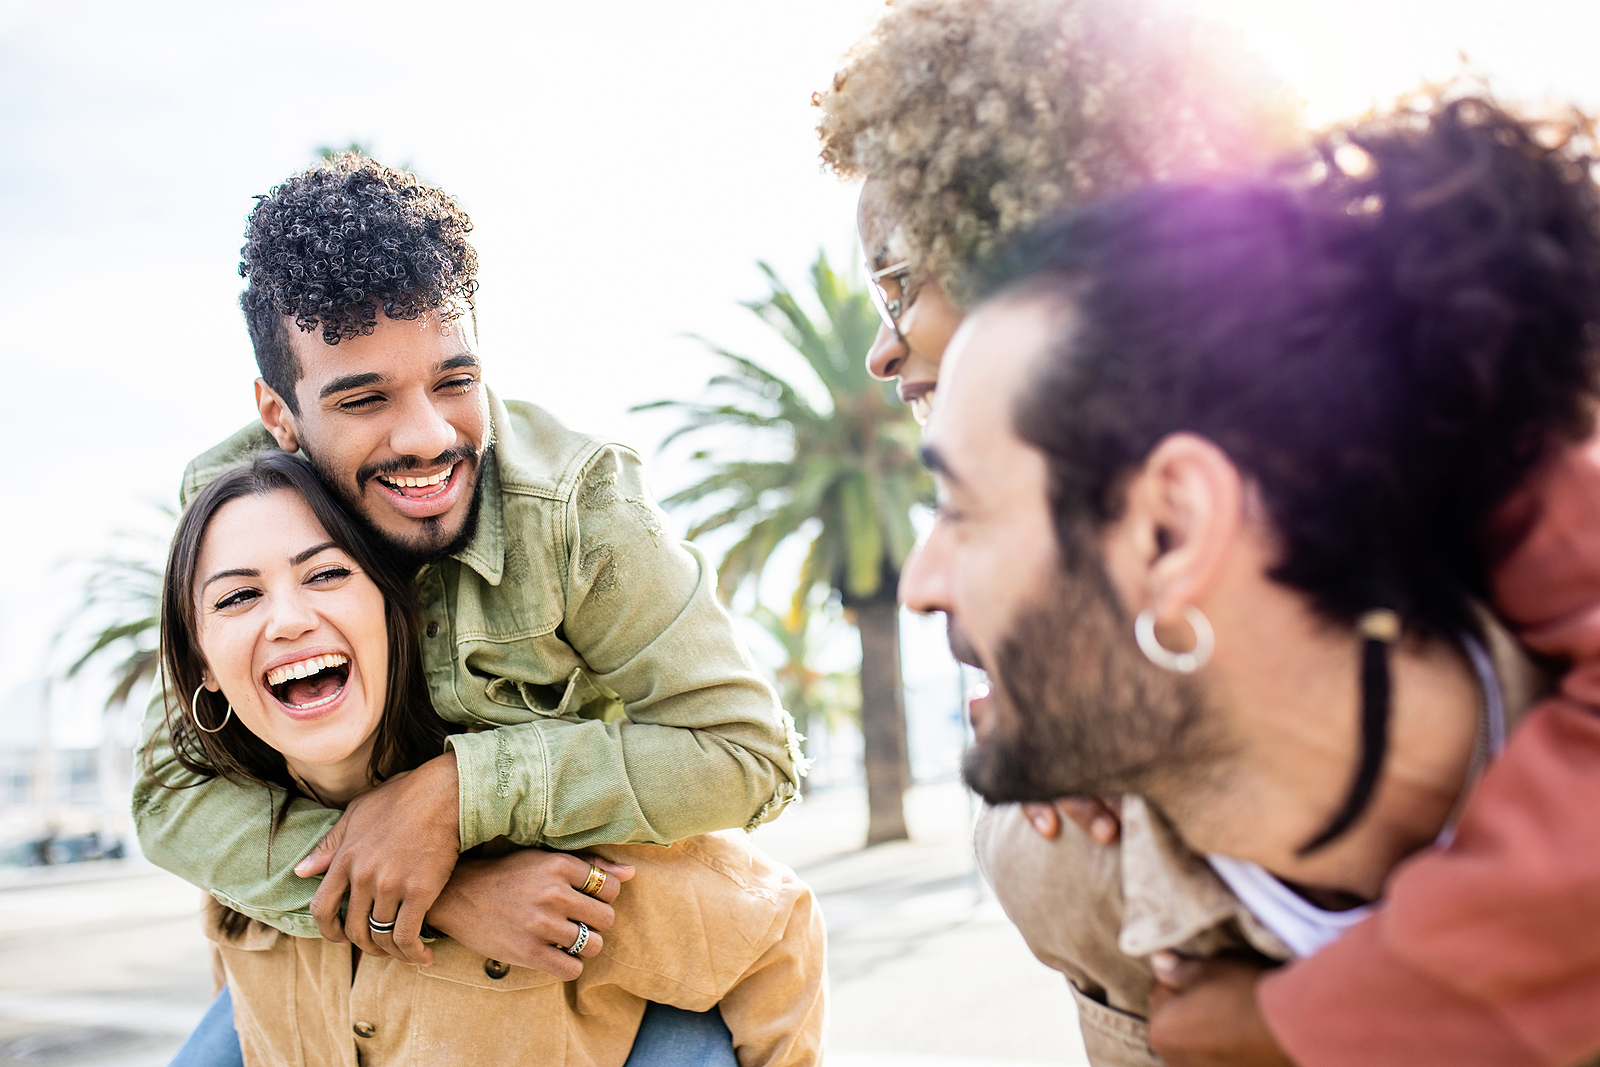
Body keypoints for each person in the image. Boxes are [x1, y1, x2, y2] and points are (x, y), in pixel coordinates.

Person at [896, 94, 1600, 1066]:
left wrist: (1299, 1023)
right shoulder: (1065, 880)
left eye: (961, 508)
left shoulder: (1535, 493)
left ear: (1173, 527)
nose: (916, 584)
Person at [133, 154, 802, 1059]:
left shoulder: (580, 509)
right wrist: (436, 892)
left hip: (592, 951)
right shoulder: (238, 513)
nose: (428, 437)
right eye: (364, 398)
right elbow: (170, 787)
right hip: (367, 970)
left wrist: (460, 794)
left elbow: (746, 756)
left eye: (454, 381)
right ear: (279, 418)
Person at [157, 450, 824, 1066]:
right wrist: (448, 898)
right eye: (238, 596)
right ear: (201, 665)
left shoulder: (545, 842)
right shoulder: (237, 855)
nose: (289, 619)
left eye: (327, 573)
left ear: (395, 610)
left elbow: (774, 930)